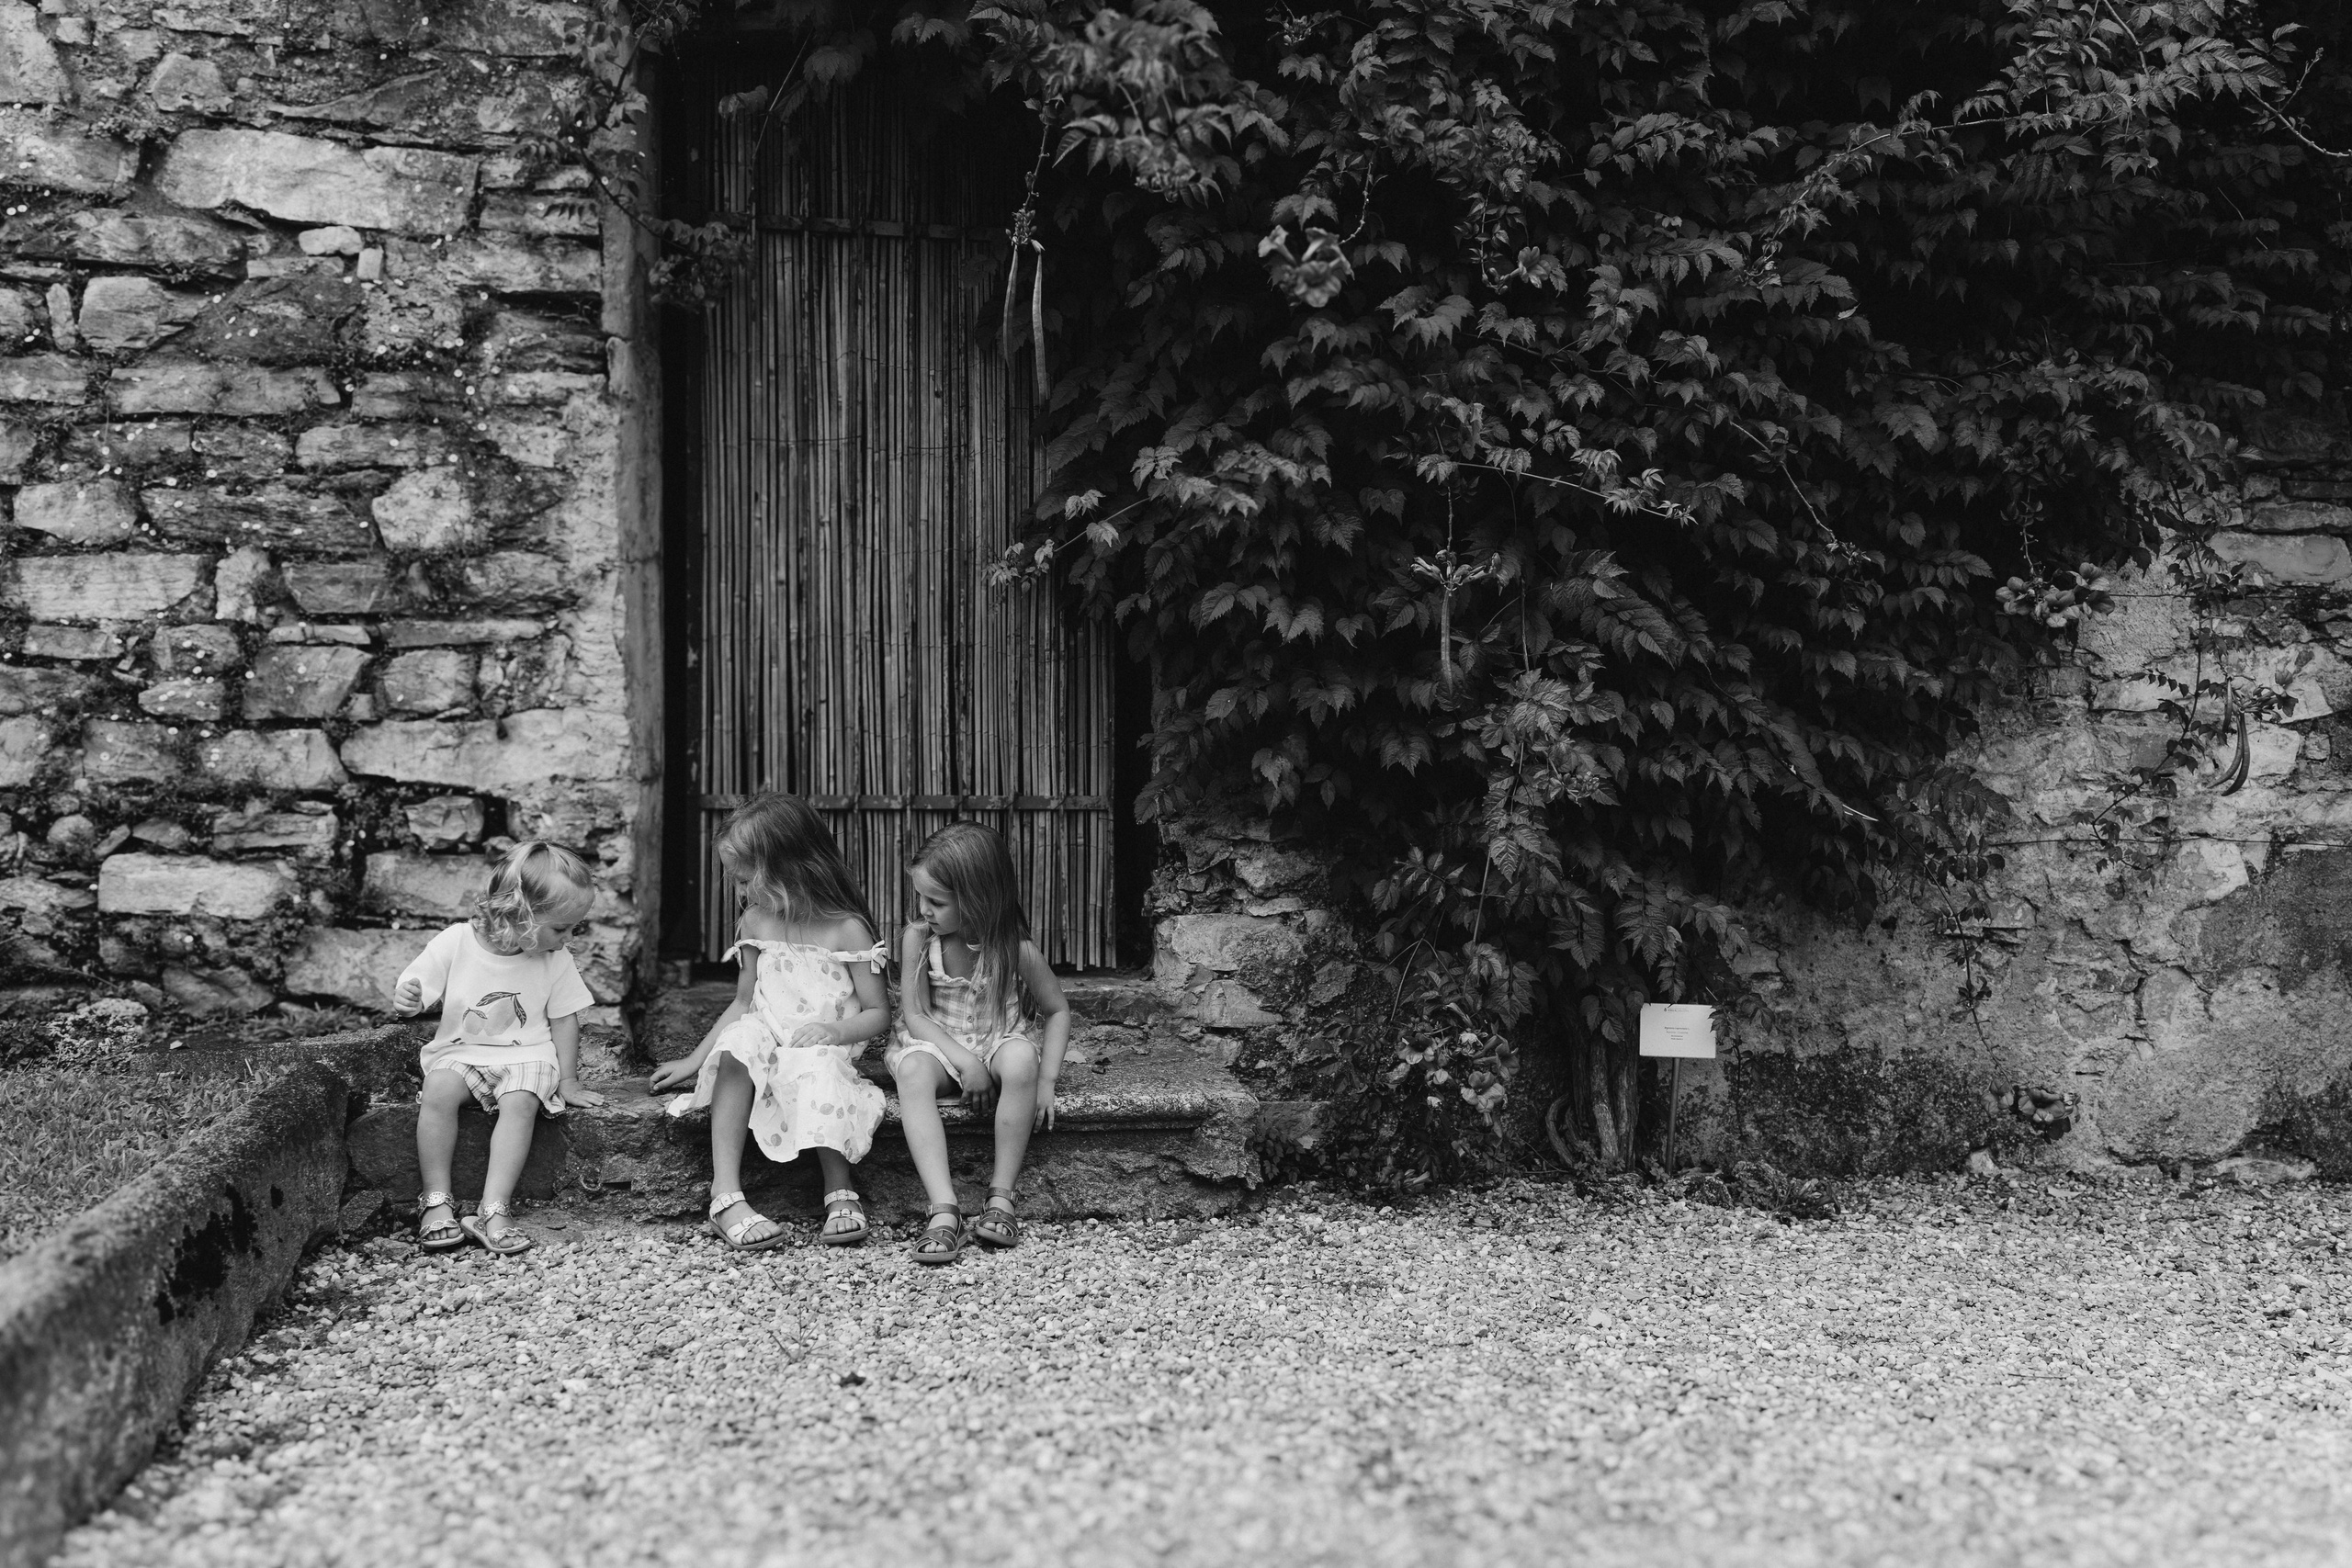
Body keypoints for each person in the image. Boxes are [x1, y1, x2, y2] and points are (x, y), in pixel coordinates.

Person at [650, 794, 889, 1250]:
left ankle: (839, 1188)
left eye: (745, 880)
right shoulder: (755, 922)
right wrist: (696, 1060)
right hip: (768, 1032)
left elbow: (879, 1013)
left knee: (816, 1064)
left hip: (823, 1045)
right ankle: (726, 1195)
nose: (739, 892)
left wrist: (835, 1032)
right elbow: (743, 1003)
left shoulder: (847, 929)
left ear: (793, 866)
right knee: (741, 1042)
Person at [395, 840, 605, 1257]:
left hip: (528, 1054)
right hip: (462, 1050)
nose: (568, 940)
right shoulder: (457, 941)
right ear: (520, 916)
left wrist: (568, 1080)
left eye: (573, 929)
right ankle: (436, 1200)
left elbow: (564, 1019)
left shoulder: (554, 959)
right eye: (561, 928)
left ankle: (494, 1208)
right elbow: (419, 985)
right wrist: (411, 999)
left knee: (521, 1099)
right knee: (438, 1090)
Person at [886, 821, 1070, 1263]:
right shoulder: (919, 939)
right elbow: (915, 1016)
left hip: (996, 1040)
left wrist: (1047, 1082)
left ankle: (1001, 1197)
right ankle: (944, 1208)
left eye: (936, 901)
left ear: (976, 897)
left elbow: (1057, 1010)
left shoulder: (1013, 947)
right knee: (911, 1071)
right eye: (921, 898)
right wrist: (966, 1062)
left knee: (1022, 1059)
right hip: (939, 1046)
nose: (923, 910)